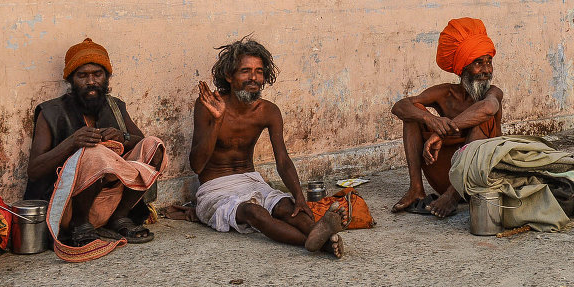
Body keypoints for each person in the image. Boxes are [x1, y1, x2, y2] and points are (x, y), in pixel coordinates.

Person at [191, 37, 345, 257]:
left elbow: (282, 159)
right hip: (216, 189)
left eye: (259, 71)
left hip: (251, 180)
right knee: (254, 212)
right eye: (245, 71)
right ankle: (319, 243)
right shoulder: (208, 105)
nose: (254, 78)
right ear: (229, 76)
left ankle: (320, 235)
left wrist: (299, 197)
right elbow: (196, 166)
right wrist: (217, 120)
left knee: (288, 207)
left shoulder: (268, 111)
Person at [25, 38, 166, 257]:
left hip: (112, 199)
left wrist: (123, 136)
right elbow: (34, 170)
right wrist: (71, 143)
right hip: (69, 207)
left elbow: (141, 143)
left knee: (154, 146)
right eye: (83, 76)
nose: (91, 81)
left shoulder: (116, 106)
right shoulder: (51, 112)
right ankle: (80, 226)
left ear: (106, 77)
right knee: (95, 153)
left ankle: (121, 217)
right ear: (71, 80)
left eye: (97, 74)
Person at [390, 17, 504, 218]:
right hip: (444, 173)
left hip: (479, 176)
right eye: (478, 63)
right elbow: (400, 106)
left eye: (489, 62)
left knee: (483, 119)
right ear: (463, 68)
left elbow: (488, 108)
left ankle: (453, 196)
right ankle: (416, 189)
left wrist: (442, 133)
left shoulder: (492, 93)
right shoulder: (445, 93)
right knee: (413, 113)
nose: (486, 70)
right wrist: (431, 120)